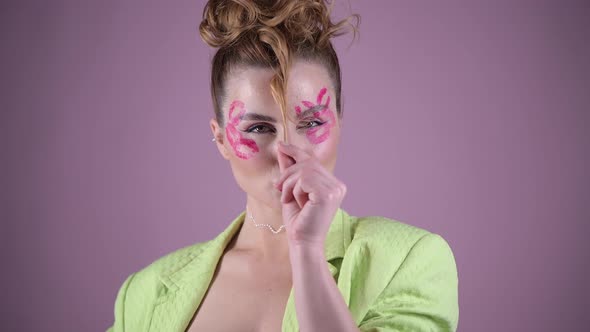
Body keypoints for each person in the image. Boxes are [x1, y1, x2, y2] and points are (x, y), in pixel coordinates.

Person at [107, 0, 459, 331]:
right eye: (258, 128)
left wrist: (306, 251)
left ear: (340, 121)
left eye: (311, 123)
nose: (287, 152)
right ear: (220, 140)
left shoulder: (408, 261)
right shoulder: (145, 293)